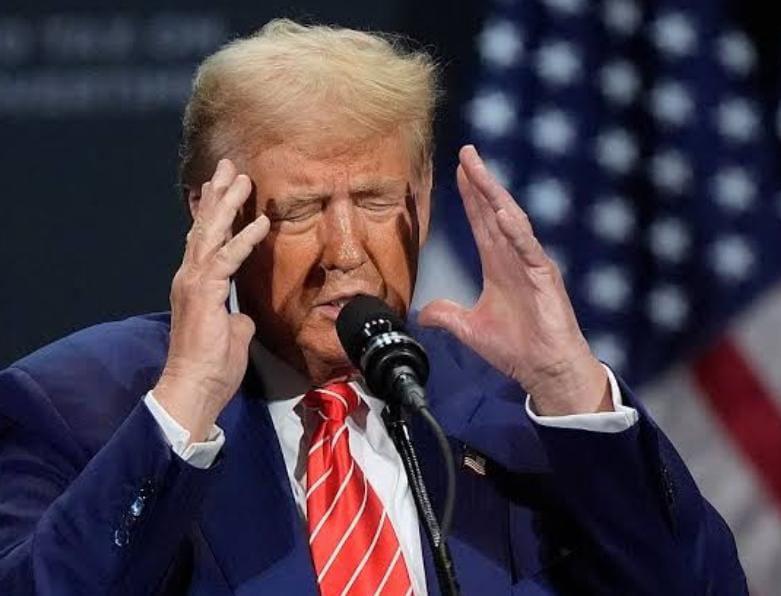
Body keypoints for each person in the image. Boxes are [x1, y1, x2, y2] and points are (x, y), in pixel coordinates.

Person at [0, 19, 747, 595]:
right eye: (301, 209)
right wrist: (186, 403)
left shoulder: (525, 409)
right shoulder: (76, 408)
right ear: (214, 215)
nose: (346, 250)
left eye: (376, 200)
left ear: (422, 196)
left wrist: (568, 383)